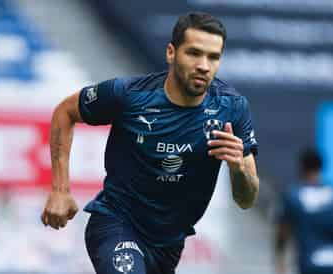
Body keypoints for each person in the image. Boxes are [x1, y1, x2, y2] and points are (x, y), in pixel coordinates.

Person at [41, 11, 259, 274]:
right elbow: (65, 111)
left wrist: (238, 169)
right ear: (171, 53)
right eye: (194, 53)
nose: (204, 65)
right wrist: (60, 190)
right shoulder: (129, 95)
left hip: (169, 244)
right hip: (117, 223)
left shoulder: (232, 109)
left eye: (213, 57)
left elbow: (246, 199)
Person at [274, 148, 333, 274]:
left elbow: (282, 234)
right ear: (322, 166)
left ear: (301, 167)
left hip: (308, 265)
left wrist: (280, 264)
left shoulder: (293, 196)